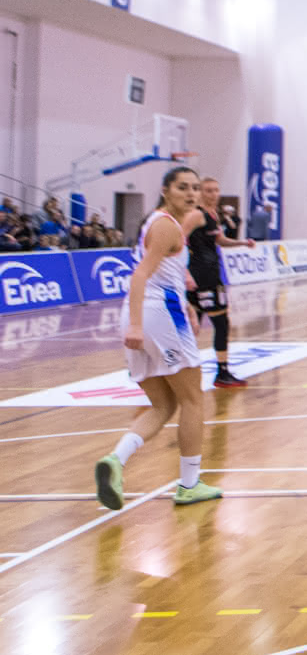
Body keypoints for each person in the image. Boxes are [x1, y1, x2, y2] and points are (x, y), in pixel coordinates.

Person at [93, 166, 222, 510]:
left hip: (151, 313)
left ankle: (115, 461)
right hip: (156, 316)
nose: (191, 194)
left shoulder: (163, 223)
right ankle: (190, 484)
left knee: (164, 404)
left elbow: (165, 276)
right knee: (194, 399)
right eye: (183, 187)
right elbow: (140, 276)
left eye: (195, 187)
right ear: (166, 191)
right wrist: (137, 325)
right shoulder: (166, 226)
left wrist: (186, 306)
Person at [185, 177, 257, 388]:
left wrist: (242, 242)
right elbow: (178, 238)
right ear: (199, 193)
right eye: (208, 190)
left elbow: (219, 240)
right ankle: (221, 372)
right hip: (201, 276)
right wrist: (185, 271)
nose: (213, 194)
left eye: (216, 190)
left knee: (192, 326)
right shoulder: (196, 214)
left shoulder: (213, 215)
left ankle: (180, 369)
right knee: (219, 323)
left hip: (211, 274)